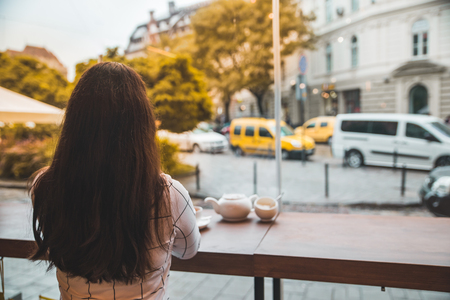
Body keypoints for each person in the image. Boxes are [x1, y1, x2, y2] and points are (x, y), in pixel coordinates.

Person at [29, 62, 200, 300]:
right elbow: (189, 250)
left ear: (74, 123)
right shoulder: (168, 194)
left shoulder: (44, 187)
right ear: (142, 125)